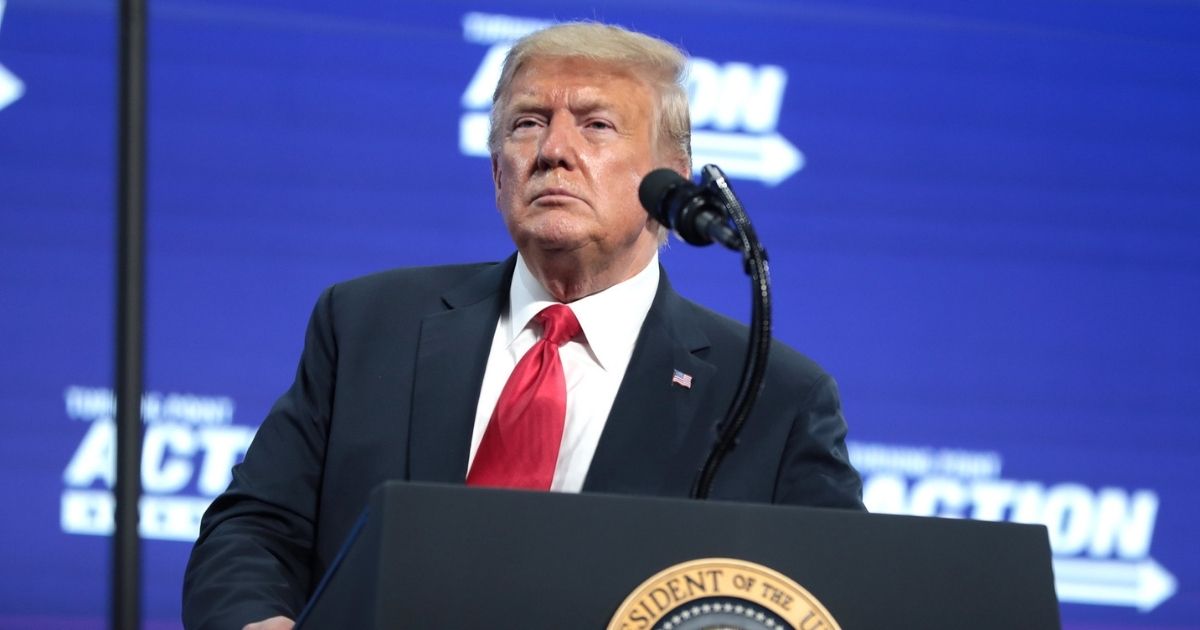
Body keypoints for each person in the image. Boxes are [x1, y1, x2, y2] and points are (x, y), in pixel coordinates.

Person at [182, 21, 864, 630]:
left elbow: (834, 600)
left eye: (596, 125)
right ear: (497, 174)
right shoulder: (367, 326)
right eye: (528, 123)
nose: (553, 150)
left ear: (673, 183)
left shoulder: (774, 397)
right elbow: (253, 531)